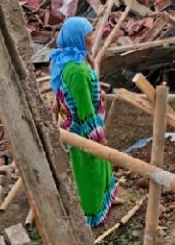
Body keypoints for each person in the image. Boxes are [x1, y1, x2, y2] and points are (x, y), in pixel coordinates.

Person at [50, 17, 119, 227]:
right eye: (88, 34)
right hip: (82, 130)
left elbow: (67, 94)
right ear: (77, 38)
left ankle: (108, 200)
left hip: (86, 125)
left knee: (103, 166)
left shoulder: (69, 59)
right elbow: (85, 110)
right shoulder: (77, 71)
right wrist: (98, 137)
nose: (91, 37)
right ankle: (92, 213)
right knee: (90, 172)